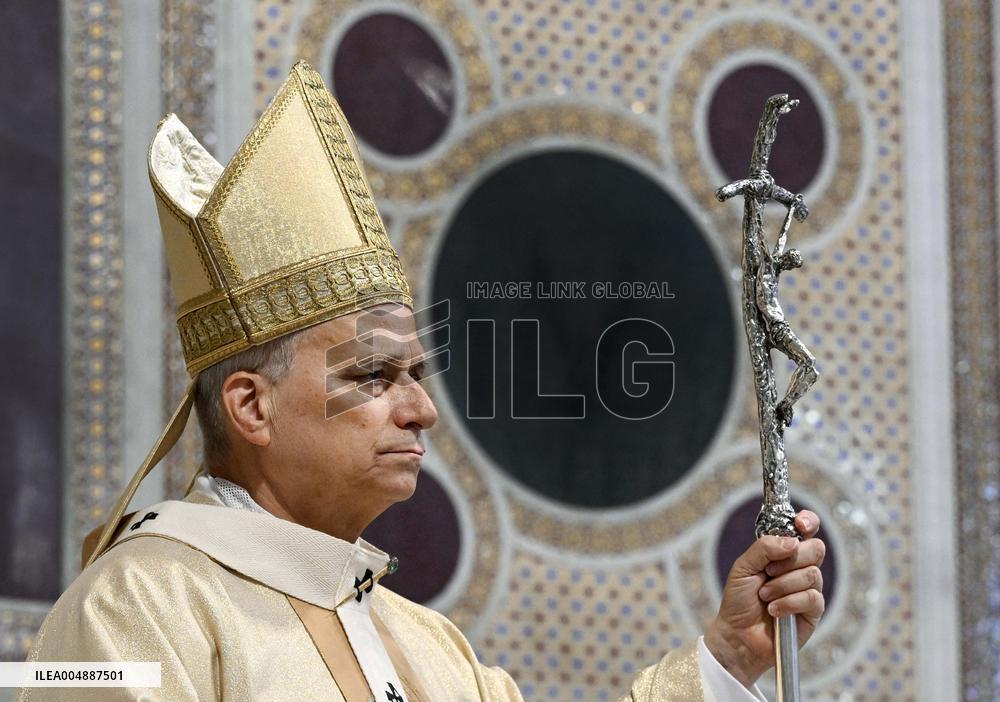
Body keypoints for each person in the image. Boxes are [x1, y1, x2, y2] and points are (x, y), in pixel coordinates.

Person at [19, 61, 825, 701]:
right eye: (374, 376)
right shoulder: (129, 609)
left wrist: (726, 658)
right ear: (251, 406)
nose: (423, 410)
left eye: (417, 374)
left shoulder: (431, 649)